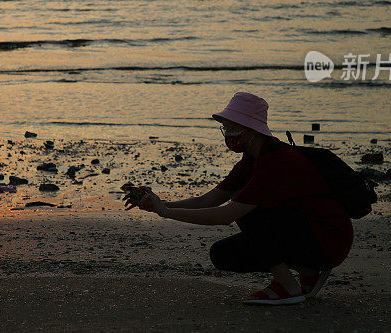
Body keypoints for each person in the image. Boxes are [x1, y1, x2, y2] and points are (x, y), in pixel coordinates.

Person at [125, 92, 353, 305]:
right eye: (226, 128)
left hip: (329, 238)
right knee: (223, 255)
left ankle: (288, 285)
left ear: (252, 129)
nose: (228, 134)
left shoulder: (277, 161)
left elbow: (226, 215)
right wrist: (158, 204)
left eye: (233, 128)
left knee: (250, 210)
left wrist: (166, 212)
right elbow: (208, 201)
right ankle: (309, 273)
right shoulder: (251, 159)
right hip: (307, 234)